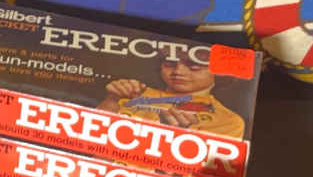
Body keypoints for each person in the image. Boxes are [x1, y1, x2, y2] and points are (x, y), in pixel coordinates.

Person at [98, 56, 245, 138]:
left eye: (194, 66)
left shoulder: (229, 121)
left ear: (219, 72)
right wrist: (111, 100)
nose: (178, 72)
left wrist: (175, 137)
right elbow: (95, 137)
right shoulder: (133, 92)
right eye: (169, 64)